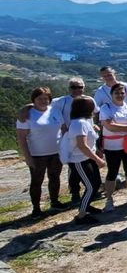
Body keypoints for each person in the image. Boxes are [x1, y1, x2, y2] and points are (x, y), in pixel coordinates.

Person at [16, 86, 64, 217]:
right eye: (40, 98)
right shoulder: (26, 115)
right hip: (37, 155)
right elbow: (21, 137)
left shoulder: (55, 111)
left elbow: (63, 128)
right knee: (37, 181)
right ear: (34, 100)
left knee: (55, 178)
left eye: (46, 98)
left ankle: (55, 202)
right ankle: (36, 208)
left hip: (56, 152)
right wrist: (27, 157)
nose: (43, 101)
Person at [99, 83, 127, 211]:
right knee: (112, 171)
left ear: (126, 94)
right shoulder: (106, 107)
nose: (119, 95)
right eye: (116, 93)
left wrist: (116, 126)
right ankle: (109, 199)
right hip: (112, 146)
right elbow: (109, 126)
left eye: (122, 93)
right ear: (111, 94)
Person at [66, 95, 106, 225]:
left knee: (96, 182)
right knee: (91, 186)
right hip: (79, 160)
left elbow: (89, 142)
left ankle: (86, 206)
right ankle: (81, 215)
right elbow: (82, 145)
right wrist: (97, 159)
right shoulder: (79, 124)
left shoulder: (85, 122)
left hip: (86, 158)